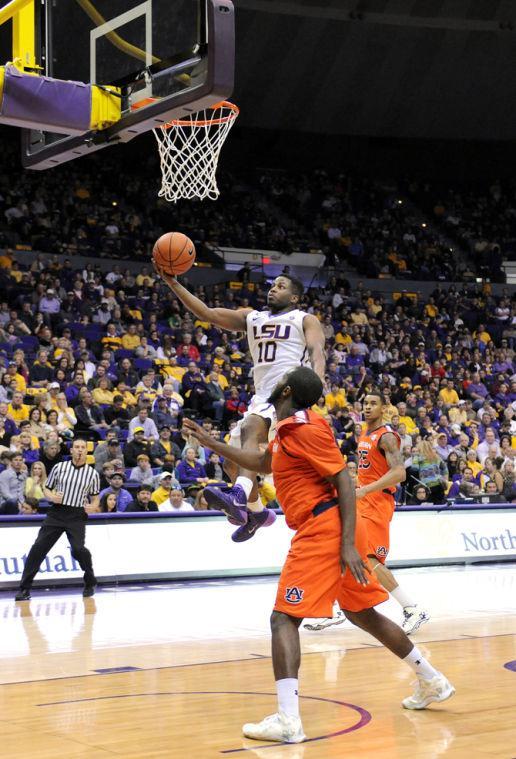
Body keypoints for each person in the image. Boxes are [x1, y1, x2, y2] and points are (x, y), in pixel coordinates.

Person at [184, 367, 454, 743]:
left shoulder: (307, 428)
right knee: (363, 614)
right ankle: (432, 680)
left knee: (283, 619)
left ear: (287, 390)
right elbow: (263, 464)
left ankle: (288, 720)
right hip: (328, 527)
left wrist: (345, 545)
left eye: (278, 382)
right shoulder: (290, 429)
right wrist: (212, 444)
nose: (273, 384)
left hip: (322, 530)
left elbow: (343, 478)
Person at [154, 268, 326, 542]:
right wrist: (172, 282)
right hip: (262, 396)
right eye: (273, 285)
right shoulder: (251, 317)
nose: (273, 289)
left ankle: (237, 496)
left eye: (281, 286)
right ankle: (258, 513)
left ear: (294, 297)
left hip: (289, 394)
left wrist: (318, 380)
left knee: (250, 428)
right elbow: (207, 314)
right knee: (231, 465)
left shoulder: (304, 319)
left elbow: (318, 350)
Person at [354, 390, 430, 635]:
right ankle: (341, 604)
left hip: (376, 501)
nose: (368, 407)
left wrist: (366, 489)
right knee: (345, 549)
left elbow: (399, 473)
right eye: (365, 403)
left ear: (383, 408)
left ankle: (412, 608)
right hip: (363, 500)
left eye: (373, 403)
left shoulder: (386, 436)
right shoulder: (365, 432)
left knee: (370, 559)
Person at [15, 438, 100, 601]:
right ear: (71, 450)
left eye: (83, 447)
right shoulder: (59, 467)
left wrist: (93, 506)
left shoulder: (92, 474)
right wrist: (52, 497)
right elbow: (46, 488)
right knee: (38, 548)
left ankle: (90, 580)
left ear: (86, 451)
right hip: (57, 513)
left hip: (76, 514)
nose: (80, 450)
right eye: (77, 447)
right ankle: (24, 588)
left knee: (78, 549)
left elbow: (95, 498)